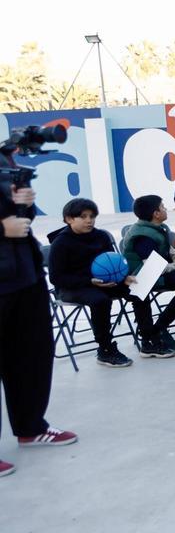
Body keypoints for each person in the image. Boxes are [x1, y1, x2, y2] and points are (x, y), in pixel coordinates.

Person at [1, 166, 76, 477]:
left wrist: (23, 203)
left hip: (24, 275)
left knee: (32, 356)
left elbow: (19, 218)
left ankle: (31, 427)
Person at [48, 197, 174, 363]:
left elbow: (114, 264)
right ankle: (105, 349)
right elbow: (56, 277)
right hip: (73, 286)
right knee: (100, 300)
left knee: (139, 288)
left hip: (105, 281)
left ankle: (148, 339)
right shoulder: (61, 243)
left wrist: (124, 277)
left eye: (92, 216)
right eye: (83, 216)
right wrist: (90, 281)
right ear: (69, 219)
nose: (89, 220)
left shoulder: (100, 237)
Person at [120, 194, 175, 355]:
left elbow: (167, 253)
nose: (166, 210)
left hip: (159, 272)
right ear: (156, 214)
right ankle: (158, 329)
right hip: (143, 277)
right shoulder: (142, 236)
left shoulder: (159, 228)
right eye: (163, 207)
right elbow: (152, 266)